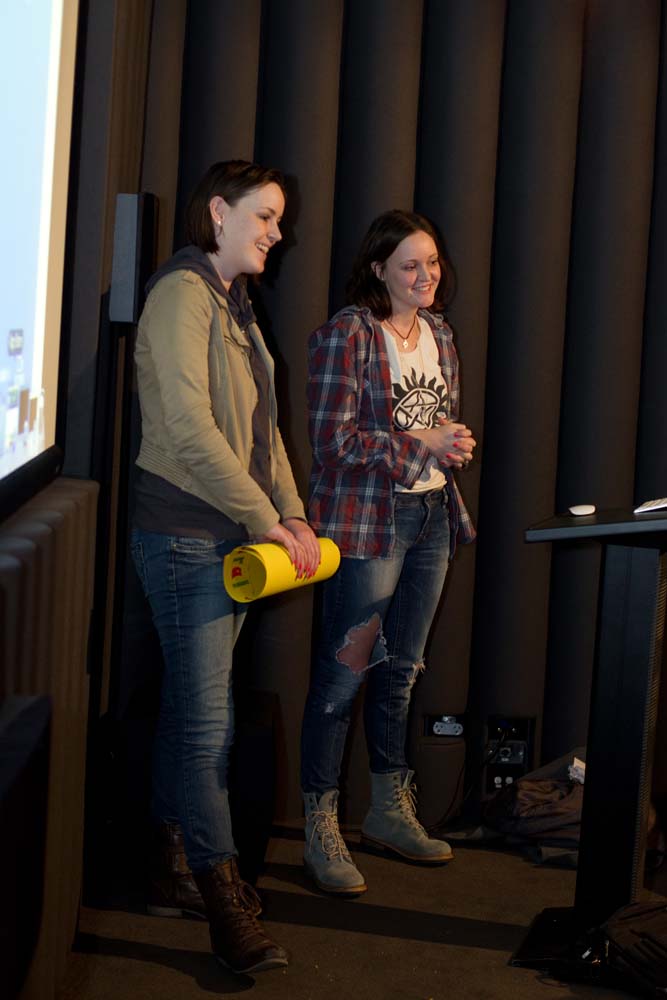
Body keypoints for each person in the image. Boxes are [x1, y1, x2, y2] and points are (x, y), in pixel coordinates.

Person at [130, 160, 320, 972]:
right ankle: (221, 896)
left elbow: (263, 430)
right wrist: (264, 517)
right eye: (266, 216)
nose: (278, 232)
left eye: (279, 219)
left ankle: (172, 865)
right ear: (218, 211)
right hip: (182, 536)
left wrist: (294, 514)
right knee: (211, 726)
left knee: (189, 714)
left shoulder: (233, 305)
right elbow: (188, 426)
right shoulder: (180, 294)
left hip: (229, 540)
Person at [300, 209, 476, 895]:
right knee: (345, 676)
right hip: (372, 524)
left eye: (431, 263)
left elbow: (434, 422)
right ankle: (321, 820)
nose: (425, 275)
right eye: (409, 264)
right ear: (378, 269)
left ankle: (385, 808)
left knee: (401, 670)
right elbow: (331, 444)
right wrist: (419, 445)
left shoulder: (438, 333)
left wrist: (446, 445)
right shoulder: (347, 335)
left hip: (432, 515)